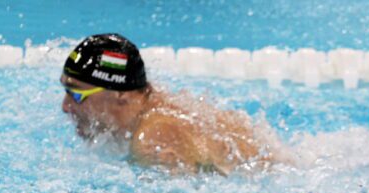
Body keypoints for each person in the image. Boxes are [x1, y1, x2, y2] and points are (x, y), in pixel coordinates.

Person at [61, 33, 280, 174]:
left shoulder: (153, 142)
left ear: (120, 94)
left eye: (77, 95)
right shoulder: (154, 105)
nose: (65, 106)